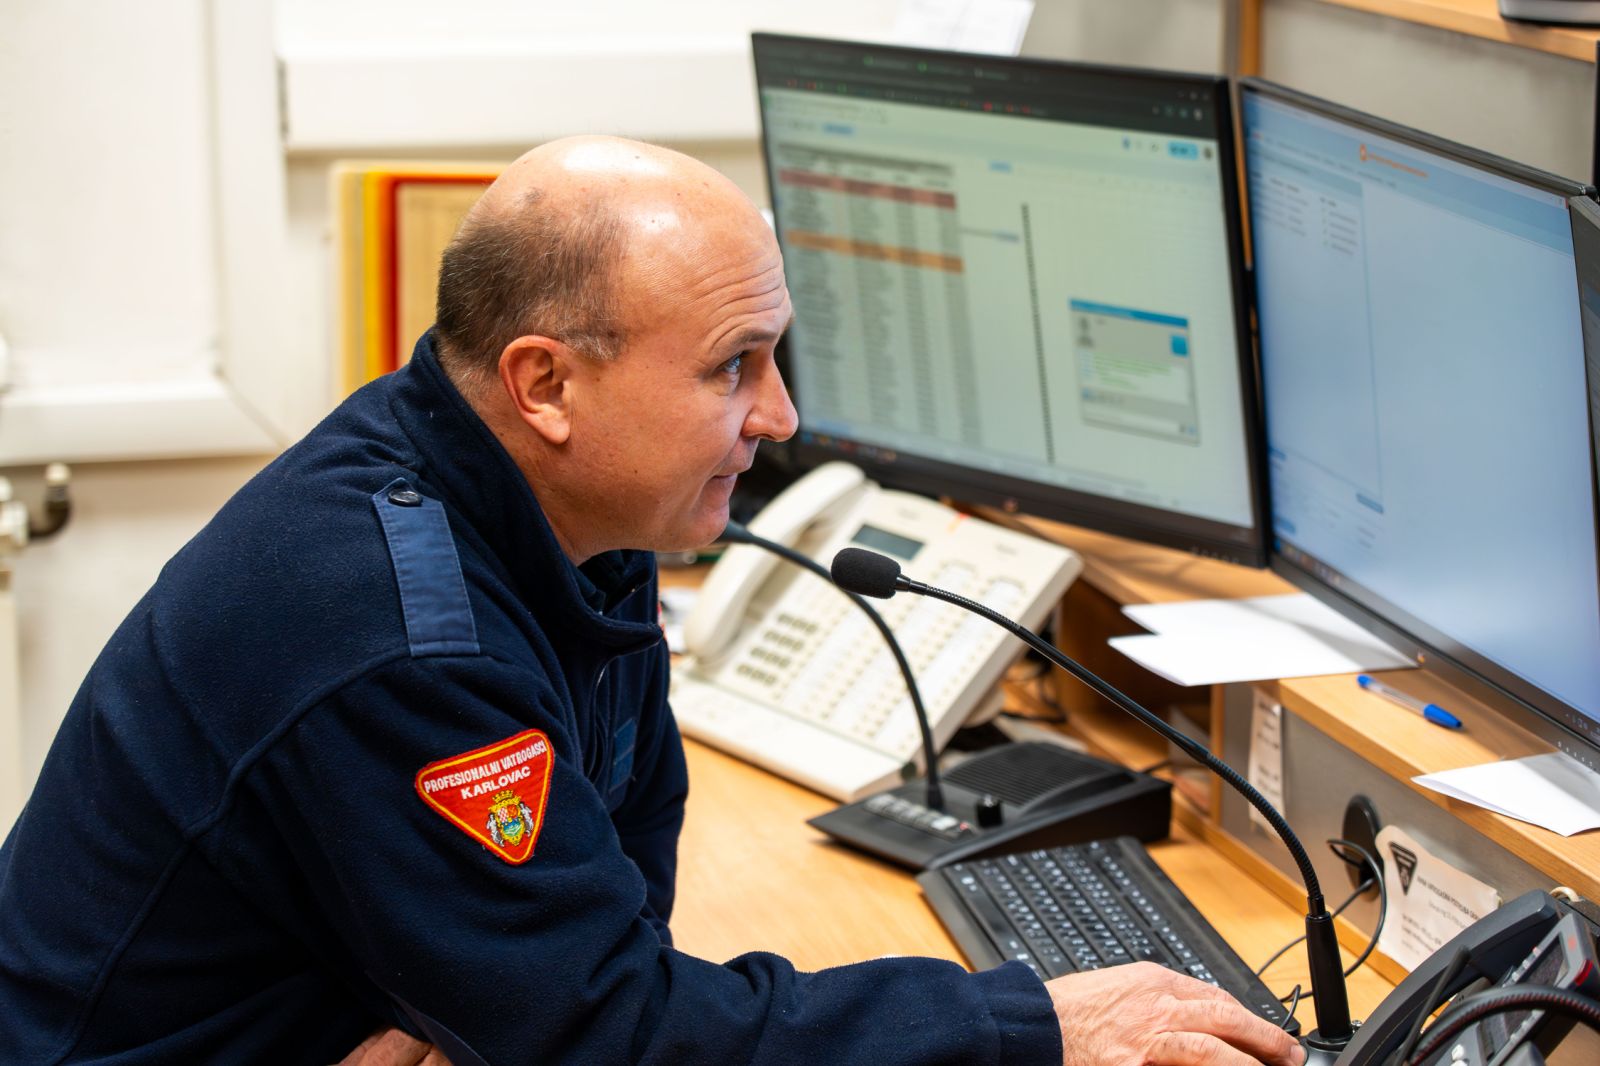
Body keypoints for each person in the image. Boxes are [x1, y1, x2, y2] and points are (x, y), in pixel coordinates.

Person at [0, 136, 1305, 1066]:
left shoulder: (557, 504)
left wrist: (527, 1006)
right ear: (547, 385)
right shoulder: (401, 631)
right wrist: (1031, 1025)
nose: (779, 417)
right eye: (734, 367)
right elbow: (609, 1027)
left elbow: (621, 886)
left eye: (776, 356)